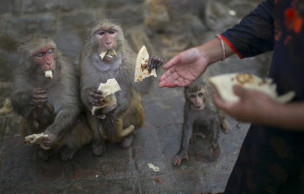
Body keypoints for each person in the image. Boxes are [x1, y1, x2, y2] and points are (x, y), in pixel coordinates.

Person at [159, 0, 304, 193]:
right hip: (272, 130)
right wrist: (208, 52)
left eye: (200, 96)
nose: (197, 102)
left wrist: (274, 112)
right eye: (193, 98)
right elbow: (278, 11)